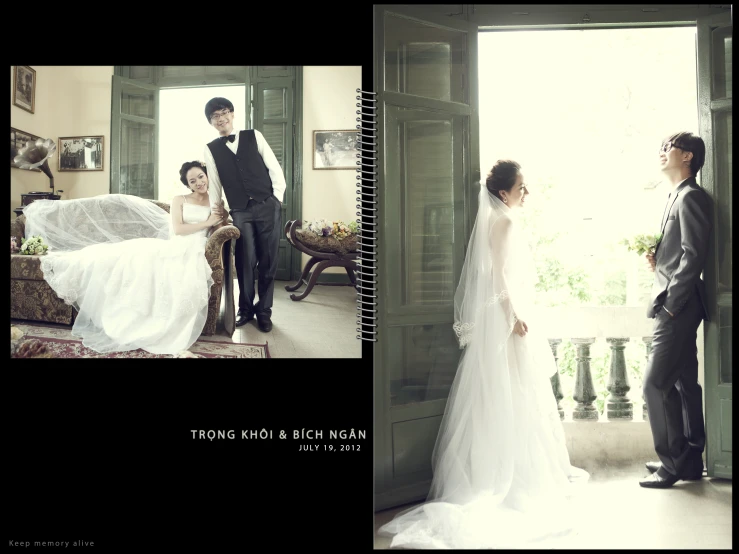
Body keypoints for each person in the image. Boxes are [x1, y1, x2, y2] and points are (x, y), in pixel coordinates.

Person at [378, 160, 588, 549]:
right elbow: (498, 275)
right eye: (522, 187)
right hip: (505, 317)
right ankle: (508, 475)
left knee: (498, 390)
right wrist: (515, 317)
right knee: (512, 390)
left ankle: (494, 467)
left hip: (495, 315)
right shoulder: (504, 222)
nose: (526, 194)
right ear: (505, 192)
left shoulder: (496, 219)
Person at [24, 161, 223, 356]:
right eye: (192, 181)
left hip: (195, 247)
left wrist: (216, 221)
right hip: (178, 243)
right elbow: (178, 229)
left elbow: (223, 220)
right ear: (187, 184)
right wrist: (208, 222)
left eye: (200, 177)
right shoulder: (180, 199)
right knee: (123, 258)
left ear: (207, 176)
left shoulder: (215, 200)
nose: (198, 183)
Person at [640, 132, 712, 489]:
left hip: (678, 307)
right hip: (675, 303)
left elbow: (694, 256)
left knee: (654, 384)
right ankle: (689, 461)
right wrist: (659, 263)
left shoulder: (692, 197)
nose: (662, 152)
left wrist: (670, 304)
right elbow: (679, 253)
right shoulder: (676, 196)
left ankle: (671, 464)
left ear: (687, 156)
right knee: (684, 385)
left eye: (668, 148)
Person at [203, 97, 287, 333]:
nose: (221, 118)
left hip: (266, 204)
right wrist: (217, 214)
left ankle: (264, 311)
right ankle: (245, 309)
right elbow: (215, 185)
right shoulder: (211, 149)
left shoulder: (254, 135)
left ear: (232, 114)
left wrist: (276, 199)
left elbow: (274, 167)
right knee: (245, 260)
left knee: (268, 261)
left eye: (224, 113)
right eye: (215, 116)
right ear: (211, 122)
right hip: (240, 210)